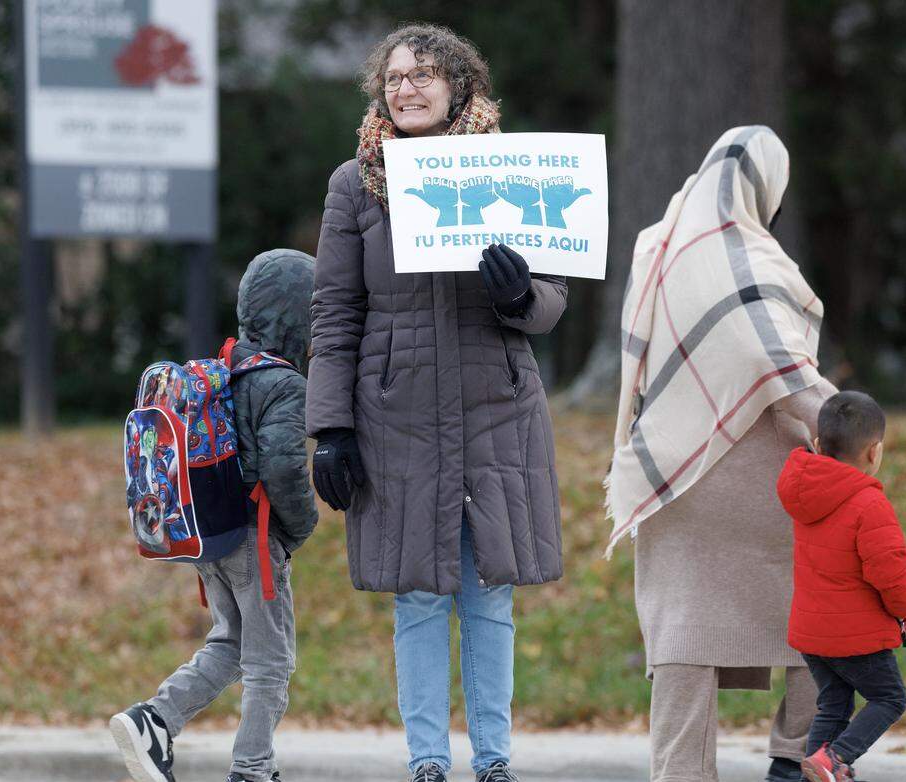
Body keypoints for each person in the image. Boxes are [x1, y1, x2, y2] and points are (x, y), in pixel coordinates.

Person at [305, 24, 567, 782]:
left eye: (423, 75)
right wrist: (329, 428)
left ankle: (494, 761)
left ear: (459, 86)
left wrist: (521, 295)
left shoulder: (511, 172)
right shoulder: (355, 185)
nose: (406, 88)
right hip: (398, 419)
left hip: (497, 410)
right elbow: (335, 311)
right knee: (418, 596)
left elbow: (554, 299)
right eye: (394, 78)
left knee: (490, 594)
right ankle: (427, 760)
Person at [606, 125, 838, 782]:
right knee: (811, 621)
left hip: (675, 474)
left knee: (684, 637)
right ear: (767, 187)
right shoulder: (754, 257)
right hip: (763, 476)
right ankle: (795, 760)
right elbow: (778, 366)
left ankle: (681, 771)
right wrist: (841, 418)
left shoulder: (656, 246)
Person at [110, 250, 319, 782]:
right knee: (271, 663)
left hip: (212, 536)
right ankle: (252, 769)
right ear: (297, 318)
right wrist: (302, 525)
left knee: (230, 644)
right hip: (256, 539)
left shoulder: (224, 368)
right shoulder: (286, 384)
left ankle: (153, 719)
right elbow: (282, 465)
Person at [776, 391, 906, 782]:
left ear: (820, 445)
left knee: (834, 705)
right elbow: (889, 573)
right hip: (854, 637)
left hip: (812, 635)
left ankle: (816, 772)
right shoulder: (868, 504)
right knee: (889, 698)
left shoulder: (804, 494)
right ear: (874, 452)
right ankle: (836, 758)